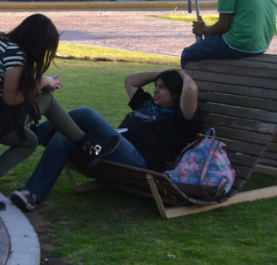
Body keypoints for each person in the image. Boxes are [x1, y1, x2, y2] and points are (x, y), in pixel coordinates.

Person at [0, 14, 120, 212]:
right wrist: (43, 82)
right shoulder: (15, 55)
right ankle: (87, 147)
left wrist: (36, 84)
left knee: (30, 140)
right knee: (46, 98)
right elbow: (10, 98)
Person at [10, 68, 200, 211]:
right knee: (65, 135)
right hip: (108, 148)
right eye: (156, 87)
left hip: (139, 159)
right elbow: (130, 81)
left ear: (176, 93)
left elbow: (190, 89)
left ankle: (32, 133)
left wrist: (180, 74)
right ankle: (32, 195)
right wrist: (163, 74)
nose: (156, 91)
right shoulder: (147, 103)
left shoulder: (180, 117)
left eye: (162, 88)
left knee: (86, 114)